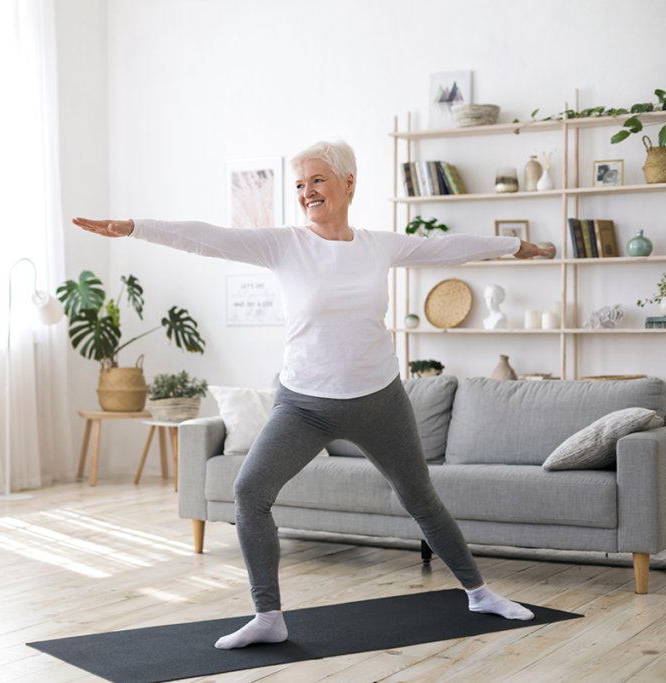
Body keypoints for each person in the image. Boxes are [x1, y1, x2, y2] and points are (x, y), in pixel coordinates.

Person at [73, 140, 552, 650]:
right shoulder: (284, 244)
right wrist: (133, 228)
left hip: (380, 401)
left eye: (317, 180)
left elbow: (447, 247)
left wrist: (516, 247)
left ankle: (479, 593)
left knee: (421, 501)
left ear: (348, 183)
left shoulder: (378, 244)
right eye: (299, 185)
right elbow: (208, 239)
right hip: (304, 405)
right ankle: (268, 616)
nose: (307, 192)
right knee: (250, 493)